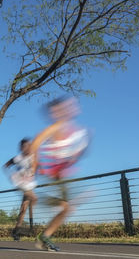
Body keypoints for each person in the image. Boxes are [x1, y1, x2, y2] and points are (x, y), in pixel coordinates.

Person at [30, 96, 89, 252]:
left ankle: (44, 236)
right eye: (64, 108)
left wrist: (76, 155)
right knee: (67, 206)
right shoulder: (54, 128)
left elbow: (70, 151)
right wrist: (36, 165)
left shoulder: (70, 129)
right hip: (54, 174)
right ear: (55, 112)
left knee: (68, 208)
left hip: (62, 175)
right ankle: (44, 202)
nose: (69, 110)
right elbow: (35, 143)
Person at [3, 138, 37, 241]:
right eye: (26, 146)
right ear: (22, 148)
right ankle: (31, 230)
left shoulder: (33, 157)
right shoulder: (18, 158)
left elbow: (36, 167)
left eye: (29, 146)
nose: (28, 148)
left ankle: (16, 231)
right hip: (21, 184)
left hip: (29, 184)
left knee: (23, 209)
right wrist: (12, 175)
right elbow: (6, 165)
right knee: (34, 199)